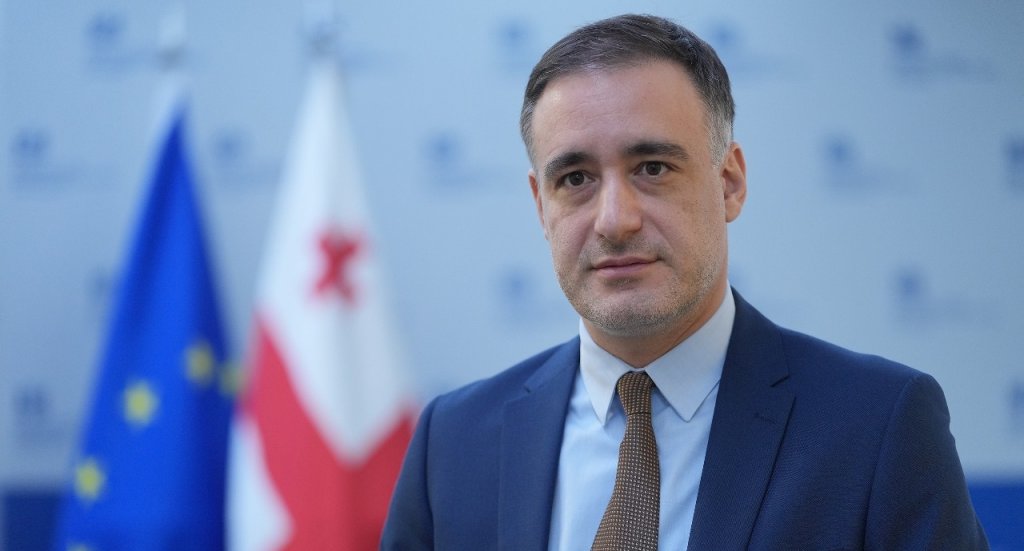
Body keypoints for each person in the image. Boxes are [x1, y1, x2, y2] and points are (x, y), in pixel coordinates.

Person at [381, 13, 988, 550]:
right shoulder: (452, 444)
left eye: (652, 168)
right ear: (541, 206)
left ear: (730, 183)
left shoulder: (877, 426)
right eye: (576, 179)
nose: (615, 220)